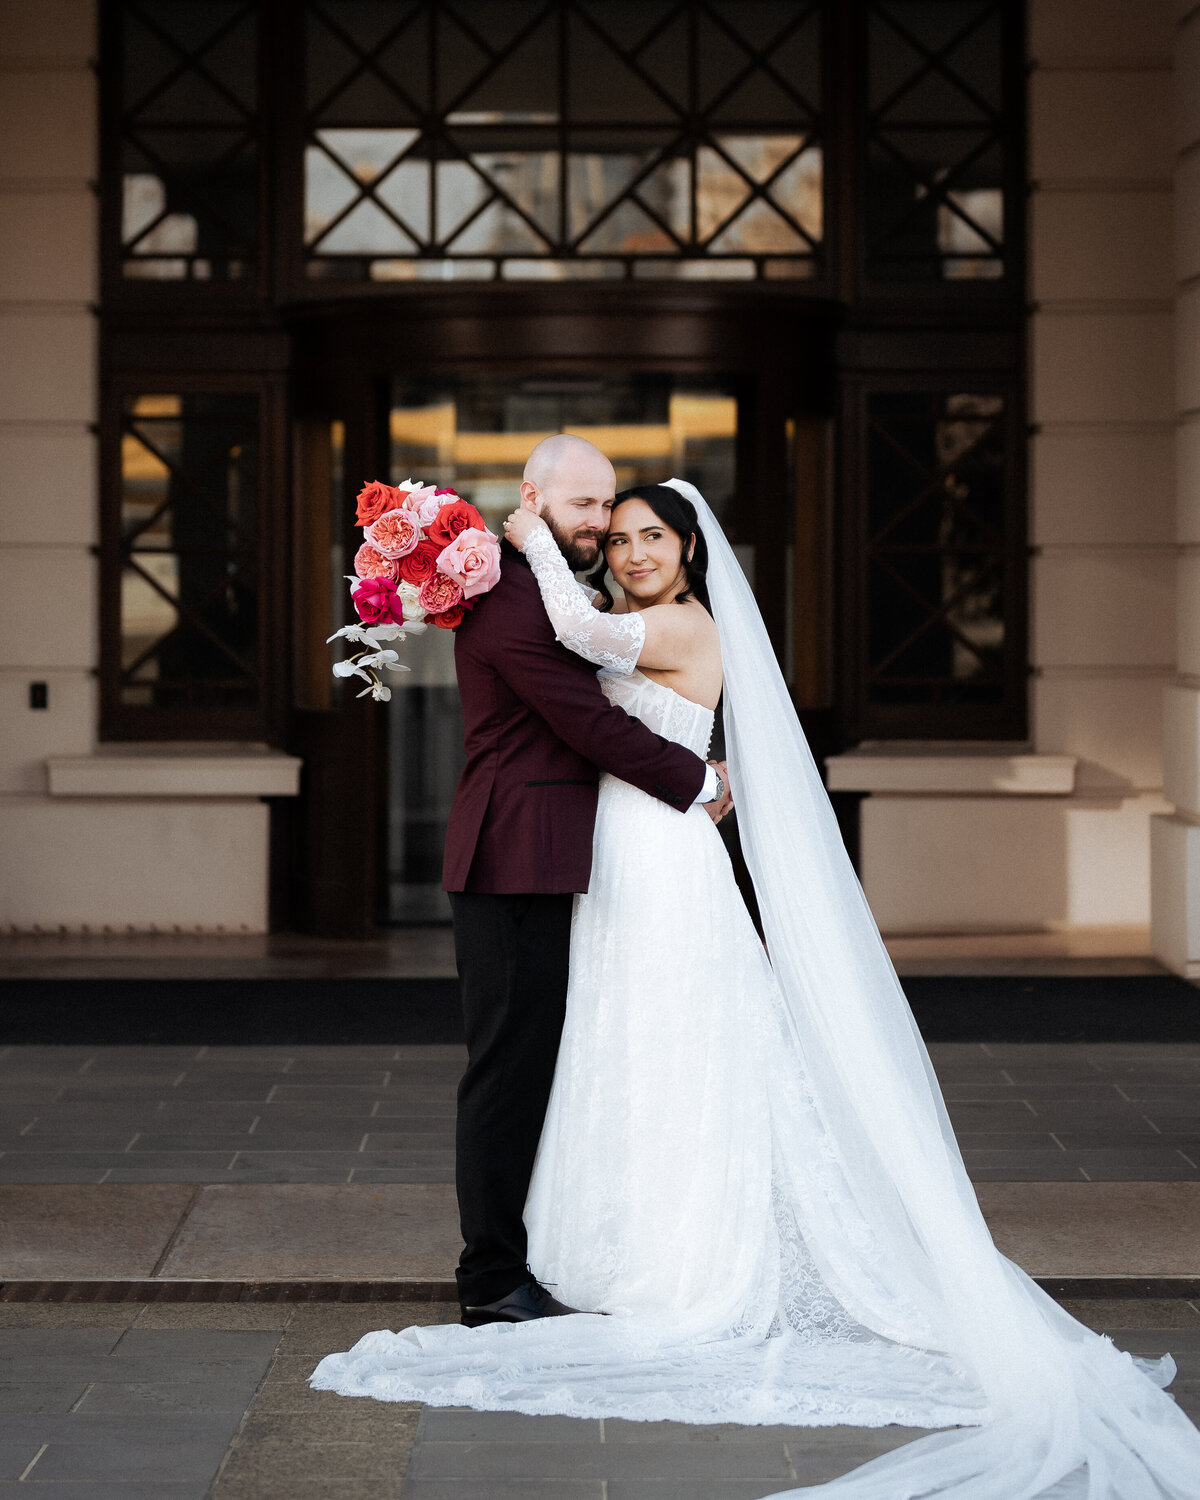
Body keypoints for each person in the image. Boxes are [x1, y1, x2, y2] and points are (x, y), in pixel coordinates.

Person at [313, 477, 1200, 1500]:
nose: (635, 551)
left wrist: (531, 542)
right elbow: (573, 665)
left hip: (662, 855)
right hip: (615, 856)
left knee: (684, 1045)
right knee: (620, 1050)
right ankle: (608, 1241)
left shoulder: (677, 625)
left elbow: (582, 648)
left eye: (655, 535)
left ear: (694, 551)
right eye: (622, 534)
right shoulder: (626, 615)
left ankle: (683, 1254)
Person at [436, 436, 731, 1328]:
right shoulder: (515, 599)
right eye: (585, 507)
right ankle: (491, 1278)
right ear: (532, 500)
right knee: (507, 1068)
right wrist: (699, 779)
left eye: (608, 507)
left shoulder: (560, 590)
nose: (601, 525)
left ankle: (567, 1249)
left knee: (561, 1058)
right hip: (512, 853)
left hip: (564, 854)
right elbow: (583, 721)